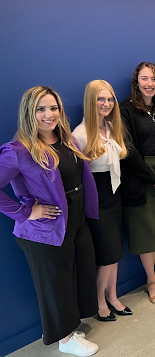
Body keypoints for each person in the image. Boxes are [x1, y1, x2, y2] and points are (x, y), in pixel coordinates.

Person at [0, 86, 99, 356]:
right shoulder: (18, 151)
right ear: (29, 113)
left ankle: (68, 326)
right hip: (45, 230)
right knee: (55, 284)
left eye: (53, 108)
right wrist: (24, 212)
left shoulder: (68, 141)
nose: (48, 114)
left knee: (75, 276)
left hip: (75, 221)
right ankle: (65, 339)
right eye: (40, 109)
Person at [73, 80, 132, 321]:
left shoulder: (110, 126)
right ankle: (99, 302)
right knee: (106, 255)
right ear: (90, 101)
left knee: (115, 252)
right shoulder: (79, 134)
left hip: (115, 194)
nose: (106, 104)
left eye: (109, 99)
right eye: (101, 99)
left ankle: (113, 296)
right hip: (97, 199)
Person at [119, 62, 155, 305]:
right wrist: (153, 177)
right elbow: (128, 150)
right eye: (144, 78)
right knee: (145, 233)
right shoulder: (125, 109)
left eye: (153, 79)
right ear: (136, 82)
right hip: (138, 179)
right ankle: (151, 280)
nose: (149, 83)